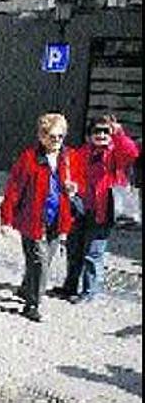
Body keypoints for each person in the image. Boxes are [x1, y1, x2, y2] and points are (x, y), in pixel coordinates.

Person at [53, 115, 140, 303]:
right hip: (81, 209)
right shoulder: (84, 152)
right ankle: (69, 287)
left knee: (93, 253)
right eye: (96, 131)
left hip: (104, 211)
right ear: (89, 135)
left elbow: (132, 151)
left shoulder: (116, 153)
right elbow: (73, 174)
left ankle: (89, 291)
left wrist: (118, 133)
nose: (100, 135)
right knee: (74, 250)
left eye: (105, 131)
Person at [0, 113, 78, 322]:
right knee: (40, 263)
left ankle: (27, 289)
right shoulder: (28, 158)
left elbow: (79, 181)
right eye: (52, 136)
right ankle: (32, 305)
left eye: (60, 137)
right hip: (32, 219)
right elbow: (13, 190)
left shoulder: (69, 157)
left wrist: (74, 187)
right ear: (41, 136)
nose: (57, 141)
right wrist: (6, 220)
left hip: (57, 219)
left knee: (43, 261)